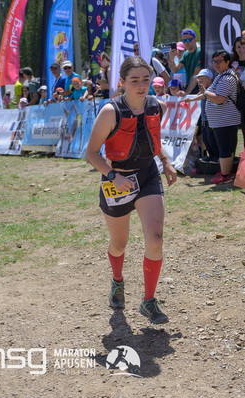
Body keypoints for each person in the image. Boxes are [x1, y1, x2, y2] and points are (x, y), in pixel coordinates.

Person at [85, 56, 177, 324]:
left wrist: (165, 161)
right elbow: (91, 153)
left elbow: (151, 139)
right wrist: (112, 176)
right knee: (119, 243)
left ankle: (148, 301)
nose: (141, 85)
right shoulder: (110, 112)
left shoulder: (157, 106)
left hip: (147, 175)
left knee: (156, 239)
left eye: (145, 79)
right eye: (134, 80)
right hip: (118, 181)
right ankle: (117, 281)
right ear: (122, 82)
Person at [193, 50, 241, 184]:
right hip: (222, 120)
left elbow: (219, 99)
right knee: (226, 148)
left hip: (225, 120)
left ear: (227, 62)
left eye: (219, 61)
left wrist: (205, 93)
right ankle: (226, 172)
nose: (216, 64)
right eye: (214, 61)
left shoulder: (226, 78)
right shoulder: (222, 76)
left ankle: (225, 175)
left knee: (224, 148)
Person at [184, 69, 218, 162]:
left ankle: (216, 156)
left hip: (211, 119)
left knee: (211, 139)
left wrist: (191, 99)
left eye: (202, 80)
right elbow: (201, 95)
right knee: (206, 139)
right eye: (199, 80)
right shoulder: (203, 90)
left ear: (209, 79)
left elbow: (203, 96)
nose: (199, 82)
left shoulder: (211, 89)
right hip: (204, 119)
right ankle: (211, 155)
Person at [169, 28, 202, 95]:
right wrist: (172, 58)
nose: (186, 43)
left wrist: (187, 92)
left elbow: (196, 74)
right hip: (190, 88)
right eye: (183, 41)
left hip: (199, 88)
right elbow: (175, 70)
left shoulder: (199, 52)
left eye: (188, 40)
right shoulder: (186, 54)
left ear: (195, 40)